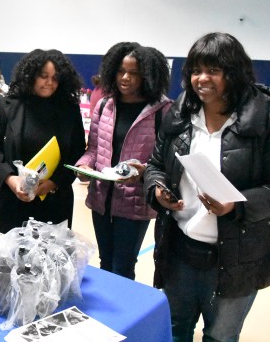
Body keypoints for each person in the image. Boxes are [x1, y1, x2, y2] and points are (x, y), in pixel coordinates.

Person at [144, 32, 270, 342]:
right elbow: (155, 164)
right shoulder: (181, 110)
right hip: (180, 252)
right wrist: (158, 190)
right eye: (196, 70)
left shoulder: (263, 115)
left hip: (236, 259)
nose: (202, 79)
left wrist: (235, 205)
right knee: (174, 332)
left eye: (213, 70)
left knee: (220, 337)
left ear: (234, 71)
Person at [74, 43, 172, 280]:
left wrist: (143, 172)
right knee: (105, 261)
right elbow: (94, 149)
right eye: (120, 71)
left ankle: (123, 315)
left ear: (148, 75)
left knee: (123, 266)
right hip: (101, 200)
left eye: (134, 73)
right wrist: (83, 166)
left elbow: (168, 163)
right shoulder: (105, 105)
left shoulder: (163, 110)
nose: (125, 78)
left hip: (134, 204)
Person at [0, 49, 86, 233]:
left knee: (50, 259)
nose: (49, 83)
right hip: (11, 202)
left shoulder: (69, 110)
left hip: (54, 203)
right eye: (43, 76)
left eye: (55, 77)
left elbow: (76, 153)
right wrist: (11, 180)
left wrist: (54, 182)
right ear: (30, 76)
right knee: (7, 259)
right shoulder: (6, 106)